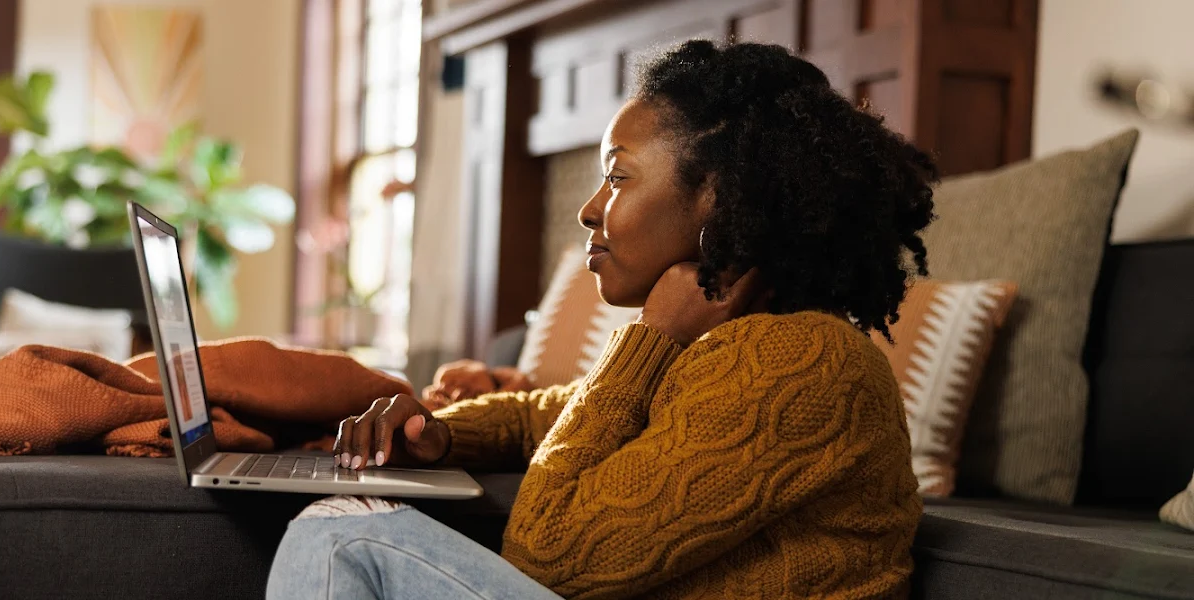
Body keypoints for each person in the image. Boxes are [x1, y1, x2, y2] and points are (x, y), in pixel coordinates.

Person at [268, 39, 936, 600]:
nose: (590, 210)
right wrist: (436, 432)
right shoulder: (731, 346)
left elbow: (548, 554)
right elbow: (552, 414)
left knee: (345, 534)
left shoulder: (802, 361)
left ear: (720, 199)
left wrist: (647, 339)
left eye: (617, 178)